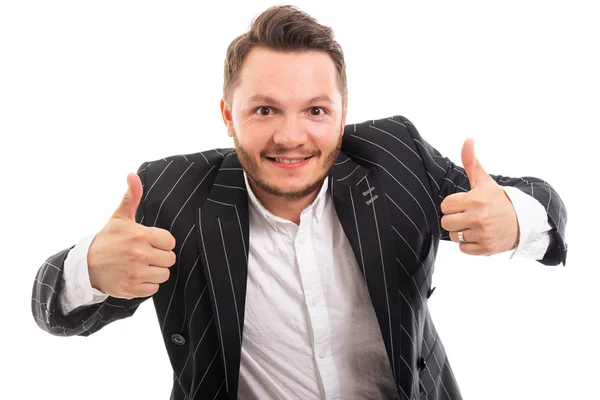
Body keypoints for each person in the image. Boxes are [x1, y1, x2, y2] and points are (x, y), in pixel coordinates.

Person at [31, 5, 568, 400]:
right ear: (227, 114)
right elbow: (49, 308)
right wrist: (92, 269)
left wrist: (516, 220)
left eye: (314, 110)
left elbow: (544, 203)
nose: (292, 137)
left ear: (342, 110)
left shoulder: (396, 157)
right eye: (265, 110)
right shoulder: (171, 194)